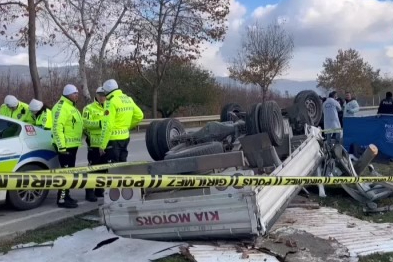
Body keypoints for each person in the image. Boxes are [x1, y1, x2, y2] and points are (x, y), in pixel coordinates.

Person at [52, 84, 83, 208]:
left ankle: (67, 195)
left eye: (77, 93)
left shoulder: (71, 106)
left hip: (72, 146)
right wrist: (62, 147)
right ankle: (61, 200)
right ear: (68, 94)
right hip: (65, 147)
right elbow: (57, 127)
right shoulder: (61, 107)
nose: (77, 95)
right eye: (75, 93)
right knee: (65, 174)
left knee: (70, 174)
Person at [98, 79, 144, 163]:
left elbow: (107, 125)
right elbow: (139, 115)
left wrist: (102, 145)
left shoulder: (110, 102)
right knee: (122, 165)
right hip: (125, 137)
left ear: (107, 90)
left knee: (113, 168)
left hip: (113, 140)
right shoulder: (128, 99)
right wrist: (127, 127)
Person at [82, 87, 106, 201]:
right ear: (96, 95)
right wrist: (101, 123)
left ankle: (99, 190)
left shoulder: (109, 107)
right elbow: (85, 123)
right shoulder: (89, 108)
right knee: (92, 169)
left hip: (105, 144)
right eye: (100, 95)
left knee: (103, 169)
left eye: (104, 95)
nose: (102, 97)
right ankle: (89, 192)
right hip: (94, 144)